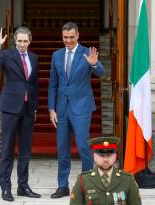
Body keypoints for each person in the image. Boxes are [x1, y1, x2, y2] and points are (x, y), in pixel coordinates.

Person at [48, 21, 105, 198]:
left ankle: (87, 185)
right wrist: (51, 109)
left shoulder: (87, 52)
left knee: (83, 147)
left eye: (72, 37)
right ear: (62, 37)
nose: (68, 40)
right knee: (62, 149)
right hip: (62, 109)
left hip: (81, 108)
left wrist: (95, 64)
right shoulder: (56, 55)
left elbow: (101, 73)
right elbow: (53, 84)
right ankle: (62, 186)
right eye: (65, 37)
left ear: (78, 35)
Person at [0, 26, 41, 202]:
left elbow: (34, 83)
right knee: (7, 149)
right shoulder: (6, 55)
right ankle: (5, 188)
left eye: (25, 41)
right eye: (19, 41)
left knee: (25, 150)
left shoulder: (34, 57)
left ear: (30, 41)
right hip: (11, 107)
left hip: (28, 109)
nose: (22, 44)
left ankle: (23, 186)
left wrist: (35, 106)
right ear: (14, 41)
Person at [70, 136, 142, 205]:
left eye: (109, 155)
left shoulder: (127, 179)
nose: (105, 159)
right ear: (94, 157)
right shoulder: (83, 180)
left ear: (115, 156)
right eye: (101, 156)